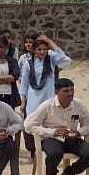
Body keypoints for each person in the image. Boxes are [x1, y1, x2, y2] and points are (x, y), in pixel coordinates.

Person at [24, 77, 89, 175]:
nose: (70, 94)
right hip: (51, 138)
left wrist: (78, 132)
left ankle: (69, 173)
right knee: (55, 153)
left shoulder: (79, 105)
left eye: (72, 90)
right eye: (66, 91)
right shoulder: (48, 105)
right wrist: (53, 132)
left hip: (71, 138)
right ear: (56, 92)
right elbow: (29, 125)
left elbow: (88, 125)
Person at [18, 34, 72, 163]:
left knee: (50, 124)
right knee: (31, 125)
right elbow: (24, 84)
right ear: (34, 50)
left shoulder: (52, 59)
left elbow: (66, 60)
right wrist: (23, 102)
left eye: (44, 49)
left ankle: (52, 151)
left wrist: (49, 41)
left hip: (49, 97)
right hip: (33, 99)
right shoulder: (27, 64)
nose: (42, 52)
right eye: (39, 49)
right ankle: (33, 153)